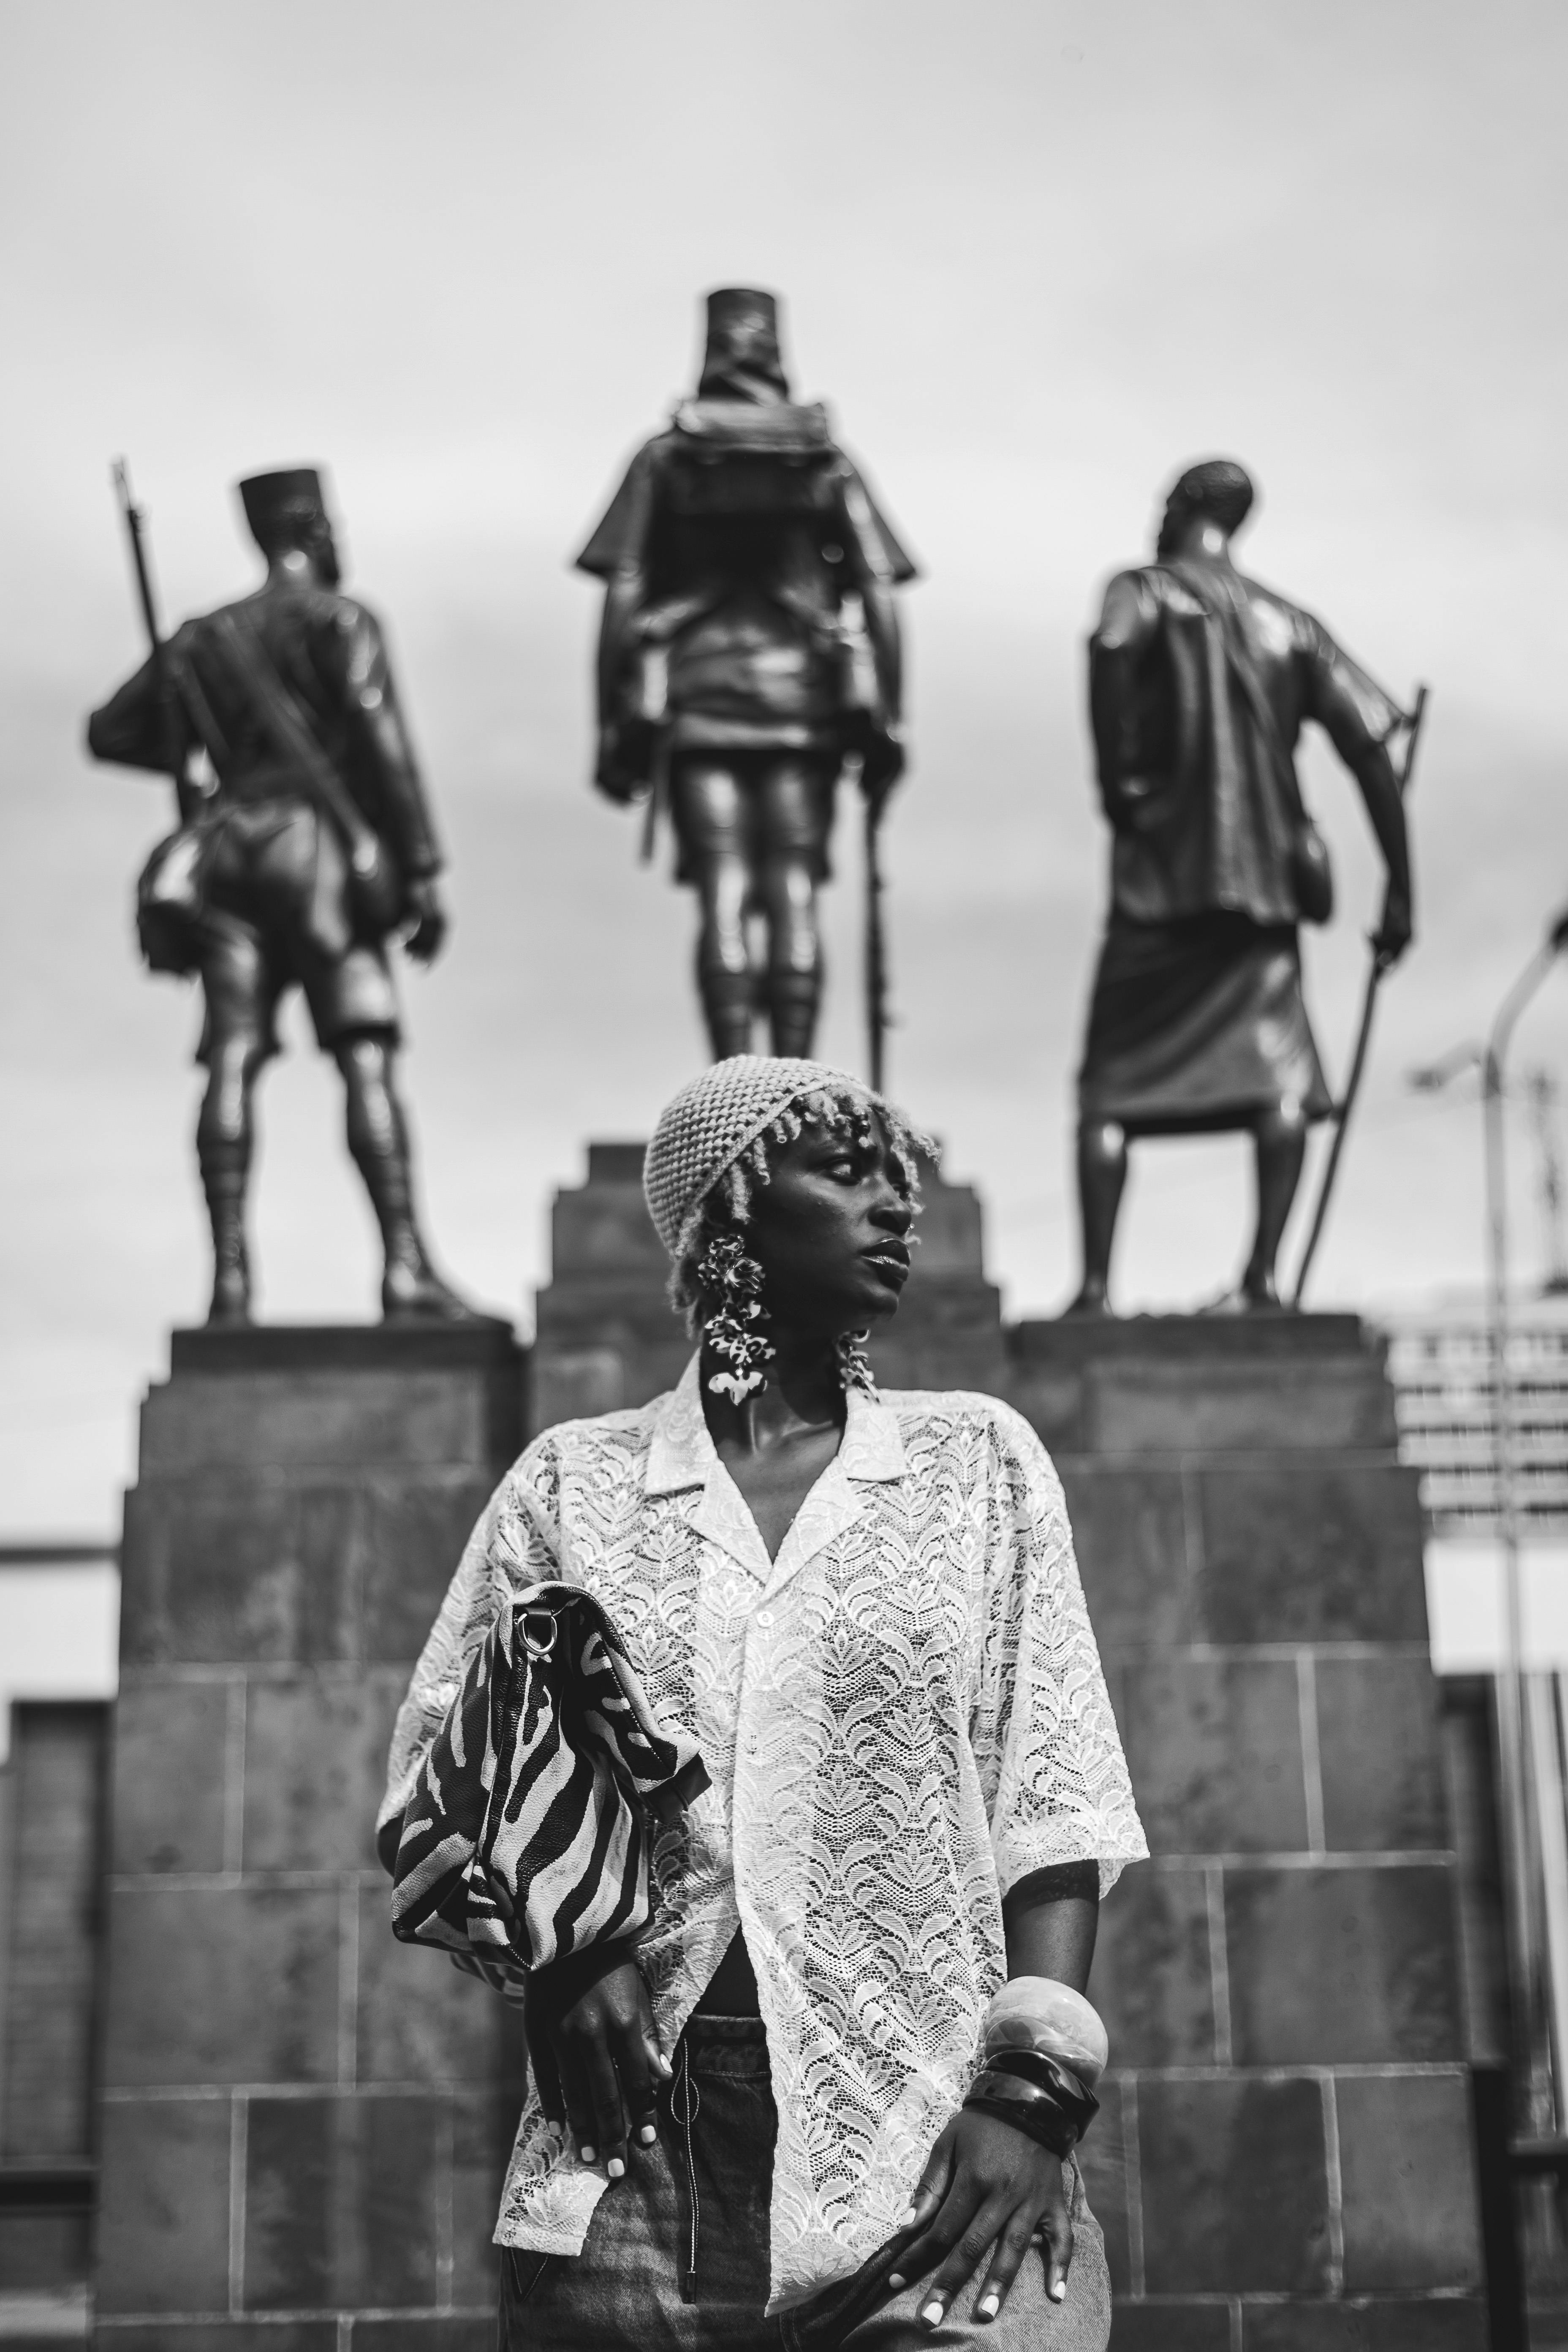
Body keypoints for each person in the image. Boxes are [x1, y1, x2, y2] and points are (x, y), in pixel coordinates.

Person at [380, 1056, 1145, 2347]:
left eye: (896, 1179)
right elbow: (441, 1782)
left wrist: (1031, 2098)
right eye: (847, 1172)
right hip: (624, 2168)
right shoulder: (573, 1485)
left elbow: (1054, 1796)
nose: (895, 1206)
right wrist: (567, 1957)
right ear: (731, 1209)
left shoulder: (977, 1463)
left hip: (935, 2155)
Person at [86, 465, 474, 1327]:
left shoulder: (202, 637)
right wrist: (421, 869)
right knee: (363, 1054)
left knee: (231, 1057)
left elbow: (109, 730)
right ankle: (405, 1268)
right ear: (307, 527)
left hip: (227, 849)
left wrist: (192, 749)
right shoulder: (343, 619)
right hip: (318, 851)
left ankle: (229, 1286)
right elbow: (382, 743)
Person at [1069, 457, 1416, 1313]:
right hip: (1262, 894)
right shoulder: (1292, 623)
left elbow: (1109, 649)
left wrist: (1120, 786)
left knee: (1110, 1089)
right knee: (1278, 1085)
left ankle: (1098, 1286)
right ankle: (1263, 1277)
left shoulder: (1139, 590)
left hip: (1161, 881)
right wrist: (1401, 887)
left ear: (1185, 509)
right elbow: (1371, 751)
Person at [577, 289, 916, 1060]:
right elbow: (880, 595)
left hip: (696, 698)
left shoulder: (664, 455)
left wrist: (608, 721)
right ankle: (793, 1077)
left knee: (723, 884)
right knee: (792, 883)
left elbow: (623, 592)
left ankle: (734, 1078)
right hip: (802, 701)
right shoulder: (825, 458)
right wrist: (889, 718)